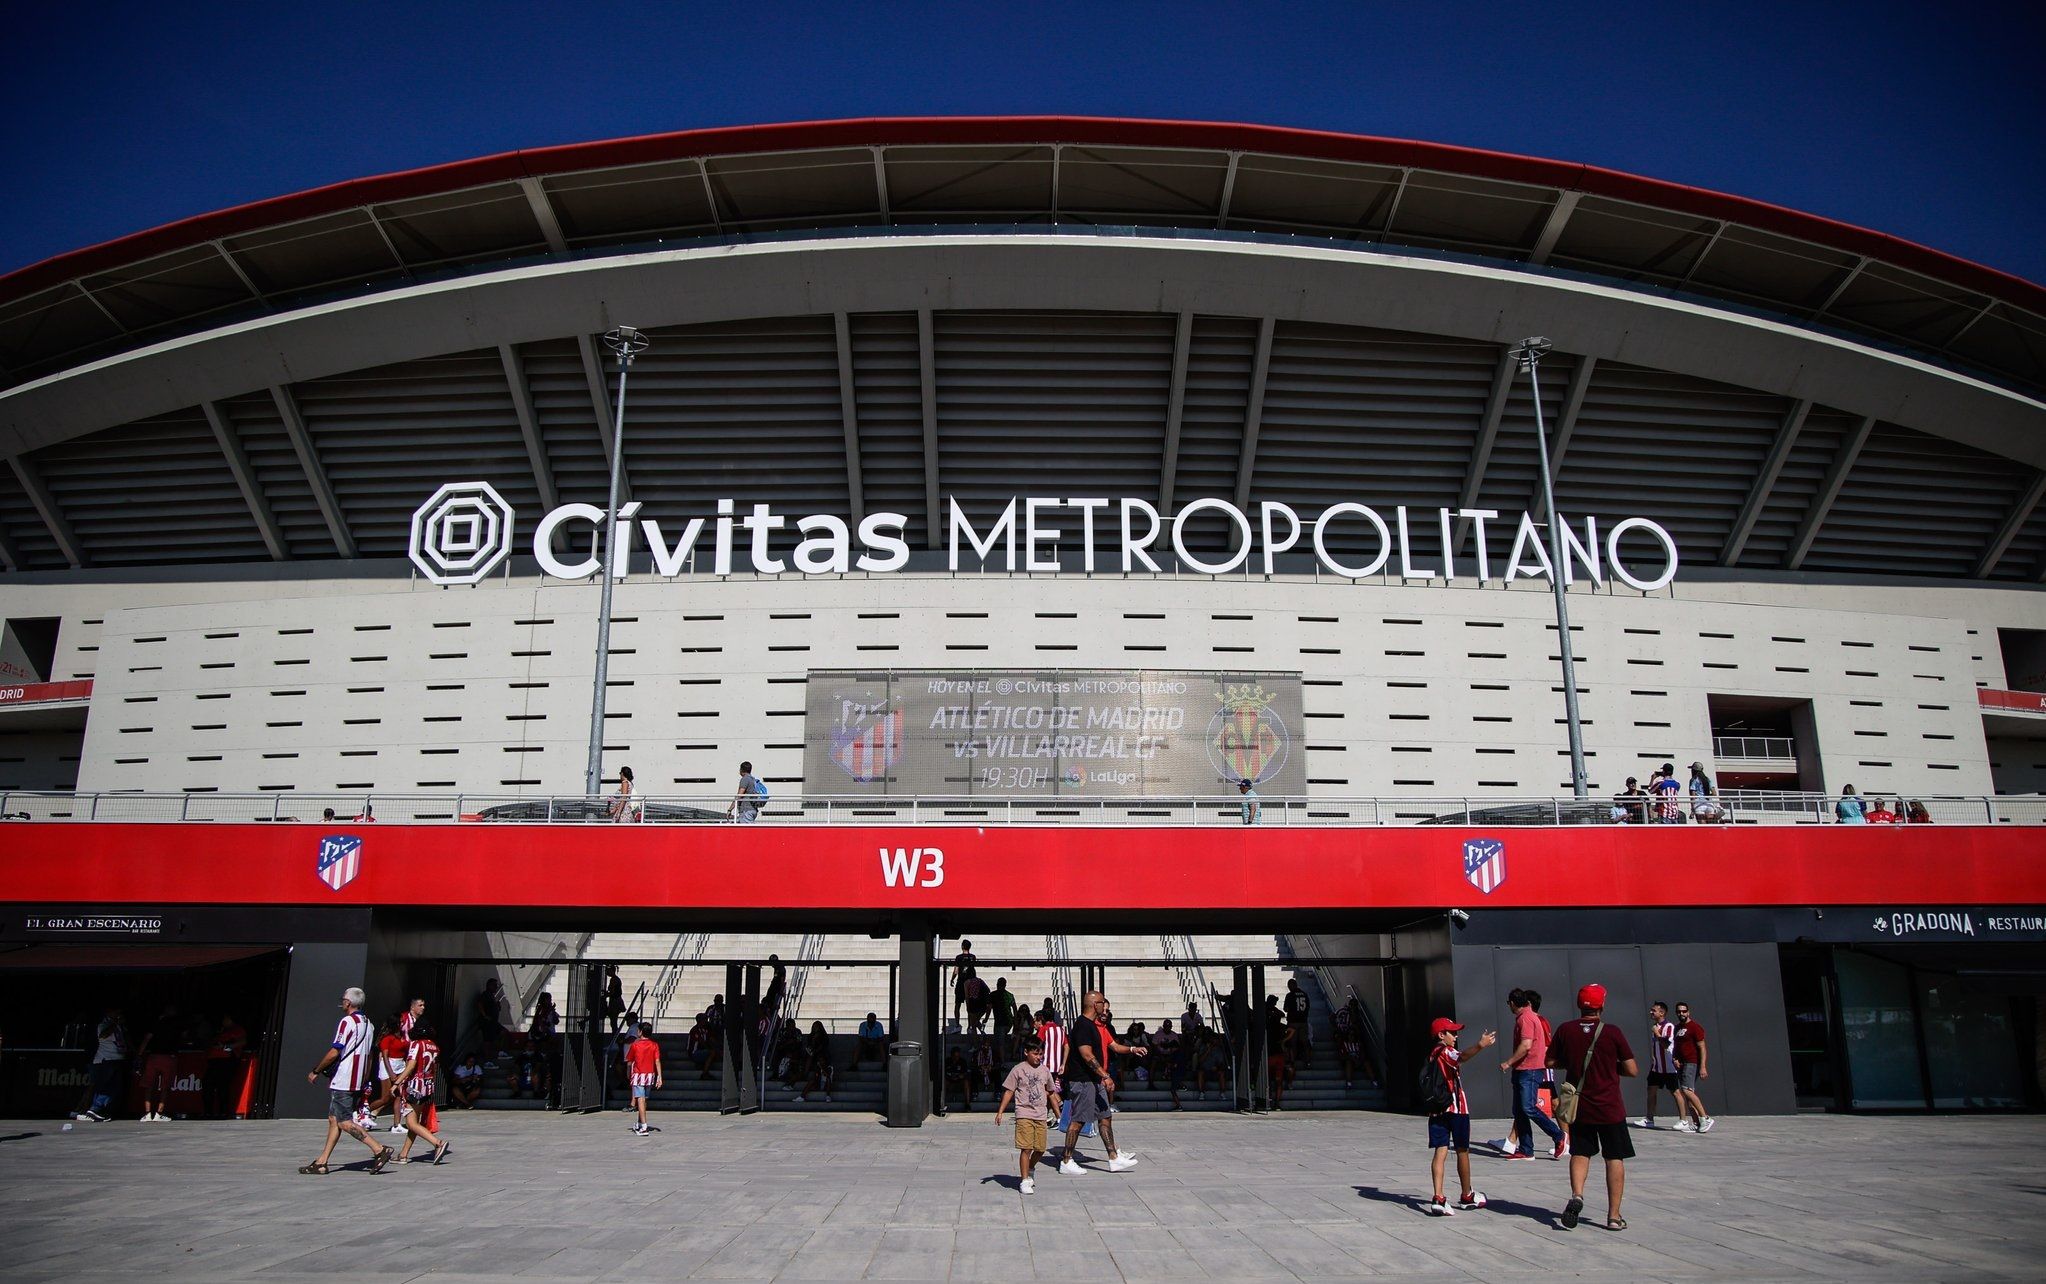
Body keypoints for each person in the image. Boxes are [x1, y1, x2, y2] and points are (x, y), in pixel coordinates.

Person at [1548, 983, 1639, 1231]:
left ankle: (1577, 1195)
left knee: (1580, 1152)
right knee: (1614, 1157)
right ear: (1602, 1005)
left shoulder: (1565, 1030)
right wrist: (1611, 1066)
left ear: (1579, 1005)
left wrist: (1572, 1063)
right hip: (1609, 1107)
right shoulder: (1612, 1032)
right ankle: (1614, 1216)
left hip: (1580, 1106)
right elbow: (1632, 1069)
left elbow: (1550, 1061)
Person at [300, 987, 395, 1175]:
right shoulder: (369, 1024)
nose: (342, 1002)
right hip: (358, 1079)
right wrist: (365, 1079)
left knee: (344, 1122)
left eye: (343, 999)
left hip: (344, 1079)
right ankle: (322, 1162)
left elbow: (335, 1051)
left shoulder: (347, 1022)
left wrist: (316, 1070)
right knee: (334, 1119)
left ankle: (379, 1149)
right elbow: (369, 1055)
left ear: (348, 1003)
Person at [1059, 990, 1143, 1174]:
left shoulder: (1093, 1026)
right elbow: (1087, 1055)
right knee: (1079, 1120)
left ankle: (1114, 1158)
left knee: (1105, 1116)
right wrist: (1105, 1075)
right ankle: (1066, 1160)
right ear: (1093, 1004)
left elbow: (1113, 1046)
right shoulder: (1082, 1026)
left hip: (1094, 1081)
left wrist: (1132, 1049)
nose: (1104, 1006)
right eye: (1101, 1002)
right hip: (1083, 1081)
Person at [1421, 1016, 1497, 1216]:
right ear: (1441, 1035)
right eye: (1452, 1033)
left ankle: (1438, 1197)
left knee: (1440, 1150)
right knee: (1462, 1150)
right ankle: (1466, 1195)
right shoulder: (1446, 1052)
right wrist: (1480, 1045)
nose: (1455, 1036)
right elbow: (1462, 1057)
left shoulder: (1432, 1054)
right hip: (1456, 1109)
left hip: (1436, 1110)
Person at [1495, 988, 1566, 1160]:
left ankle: (1559, 1136)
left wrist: (1508, 1062)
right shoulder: (1529, 1016)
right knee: (1519, 1110)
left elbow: (1526, 1045)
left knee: (1528, 1107)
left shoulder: (1526, 1018)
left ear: (1513, 1003)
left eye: (1509, 1003)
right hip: (1524, 1069)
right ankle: (1526, 1150)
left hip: (1530, 1069)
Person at [995, 1036, 1061, 1194]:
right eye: (1035, 1054)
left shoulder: (1045, 1070)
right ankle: (1024, 1180)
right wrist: (1000, 1112)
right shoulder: (1018, 1069)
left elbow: (1051, 1093)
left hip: (1041, 1114)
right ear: (1026, 1052)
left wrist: (1059, 1115)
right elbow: (1009, 1091)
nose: (1039, 1057)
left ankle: (1030, 1167)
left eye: (1041, 1054)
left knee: (1040, 1149)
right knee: (1026, 1148)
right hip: (1024, 1113)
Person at [394, 1021, 450, 1165]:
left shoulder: (416, 1044)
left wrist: (397, 1082)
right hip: (428, 1086)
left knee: (411, 1123)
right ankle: (403, 1155)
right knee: (414, 1122)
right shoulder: (434, 1047)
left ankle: (438, 1143)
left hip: (415, 1087)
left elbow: (411, 1065)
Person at [75, 1007, 128, 1122]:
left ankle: (102, 1110)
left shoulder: (119, 1026)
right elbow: (103, 1035)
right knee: (105, 1086)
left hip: (117, 1058)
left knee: (115, 1088)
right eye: (115, 1012)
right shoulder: (103, 1024)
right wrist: (115, 1023)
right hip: (106, 1059)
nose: (118, 1014)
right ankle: (94, 1109)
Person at [135, 1004, 184, 1122]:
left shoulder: (156, 1023)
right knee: (165, 1087)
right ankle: (159, 1113)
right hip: (168, 1058)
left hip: (154, 1057)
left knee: (149, 1085)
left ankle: (147, 1114)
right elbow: (183, 1037)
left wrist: (139, 1055)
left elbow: (146, 1039)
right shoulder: (177, 1024)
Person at [1670, 1001, 1713, 1133]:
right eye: (1679, 1011)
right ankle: (1696, 1123)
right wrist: (1675, 1059)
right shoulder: (1677, 1028)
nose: (1681, 1013)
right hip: (1681, 1064)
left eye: (1684, 1011)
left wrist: (1703, 1066)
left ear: (1688, 1012)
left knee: (1687, 1090)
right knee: (1688, 1094)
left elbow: (1702, 1047)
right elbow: (1676, 1047)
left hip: (1691, 1062)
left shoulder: (1695, 1027)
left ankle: (1705, 1118)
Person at [1635, 1001, 1679, 1128]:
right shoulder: (1655, 1026)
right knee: (1651, 1090)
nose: (1651, 1012)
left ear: (1662, 1013)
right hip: (1656, 1067)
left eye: (1654, 1010)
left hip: (1669, 1067)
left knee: (1675, 1092)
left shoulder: (1668, 1026)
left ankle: (1683, 1120)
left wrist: (1657, 1033)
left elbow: (1666, 1045)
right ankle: (1649, 1119)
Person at [203, 1013, 247, 1119]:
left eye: (225, 1019)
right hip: (213, 1061)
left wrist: (226, 1046)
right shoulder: (220, 1030)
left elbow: (243, 1041)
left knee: (222, 1086)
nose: (223, 1021)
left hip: (226, 1061)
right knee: (207, 1085)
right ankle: (208, 1112)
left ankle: (223, 1112)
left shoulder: (237, 1030)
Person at [624, 1021, 662, 1136]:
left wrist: (628, 1073)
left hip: (638, 1075)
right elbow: (657, 1061)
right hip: (650, 1075)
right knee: (644, 1099)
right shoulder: (654, 1045)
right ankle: (640, 1123)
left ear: (640, 1032)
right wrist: (659, 1076)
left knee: (640, 1099)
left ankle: (644, 1126)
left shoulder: (635, 1045)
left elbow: (629, 1061)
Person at [1262, 994, 1293, 1110]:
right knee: (1277, 1081)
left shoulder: (1268, 1026)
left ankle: (1269, 1100)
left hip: (1270, 1055)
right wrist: (1283, 1041)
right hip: (1277, 1055)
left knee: (1269, 1080)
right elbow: (1291, 1030)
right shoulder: (1279, 1026)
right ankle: (1276, 1103)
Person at [798, 1021, 835, 1103]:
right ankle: (802, 1096)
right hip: (814, 1055)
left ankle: (828, 1096)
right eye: (814, 1027)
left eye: (817, 1027)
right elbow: (809, 1046)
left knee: (828, 1079)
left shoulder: (824, 1037)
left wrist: (822, 1066)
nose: (816, 1029)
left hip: (821, 1054)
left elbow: (823, 1047)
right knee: (810, 1058)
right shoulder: (810, 1036)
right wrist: (813, 1041)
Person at [1150, 1019, 1184, 1109]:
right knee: (1154, 1062)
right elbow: (1154, 1046)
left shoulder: (1174, 1036)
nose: (1167, 1028)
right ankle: (1151, 1083)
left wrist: (1170, 1058)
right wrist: (1161, 1056)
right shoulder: (1158, 1034)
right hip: (1159, 1055)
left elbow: (1177, 1049)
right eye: (1166, 1026)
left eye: (1169, 1026)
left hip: (1172, 1057)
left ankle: (1178, 1083)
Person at [1284, 978, 1312, 1062]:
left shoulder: (1290, 995)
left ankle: (1293, 1061)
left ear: (1290, 986)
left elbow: (1285, 1009)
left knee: (1293, 1042)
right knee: (1304, 1041)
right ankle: (1307, 1060)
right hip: (1303, 1021)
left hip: (1293, 1022)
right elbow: (1308, 1006)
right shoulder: (1304, 994)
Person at [990, 978, 1017, 1058]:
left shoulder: (993, 995)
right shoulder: (1009, 995)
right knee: (999, 1040)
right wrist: (1015, 1020)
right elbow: (1014, 1008)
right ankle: (1000, 1058)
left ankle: (1002, 1060)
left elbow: (989, 1007)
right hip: (1007, 1021)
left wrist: (986, 1018)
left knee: (1000, 1042)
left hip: (1000, 1021)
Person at [951, 940, 977, 1022]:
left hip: (961, 982)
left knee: (957, 1004)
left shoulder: (958, 957)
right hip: (970, 983)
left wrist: (952, 979)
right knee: (970, 1005)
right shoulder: (973, 957)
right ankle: (970, 1025)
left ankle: (957, 1024)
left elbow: (956, 971)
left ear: (962, 946)